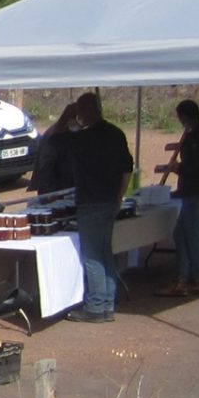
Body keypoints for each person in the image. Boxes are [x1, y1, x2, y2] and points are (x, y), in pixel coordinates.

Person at [63, 92, 134, 323]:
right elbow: (127, 169)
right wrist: (119, 197)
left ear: (84, 111)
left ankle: (95, 306)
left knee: (93, 255)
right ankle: (107, 303)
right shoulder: (115, 133)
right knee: (105, 252)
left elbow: (56, 138)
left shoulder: (80, 140)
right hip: (108, 200)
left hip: (90, 202)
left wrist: (69, 119)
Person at [157, 99, 199, 296]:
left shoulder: (197, 138)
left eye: (180, 117)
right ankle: (192, 277)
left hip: (197, 191)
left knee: (188, 236)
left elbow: (198, 168)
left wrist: (178, 168)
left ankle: (187, 279)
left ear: (185, 117)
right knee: (185, 234)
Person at [28, 100, 79, 196]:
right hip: (53, 189)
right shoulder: (54, 136)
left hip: (65, 186)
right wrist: (50, 192)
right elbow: (46, 166)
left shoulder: (68, 133)